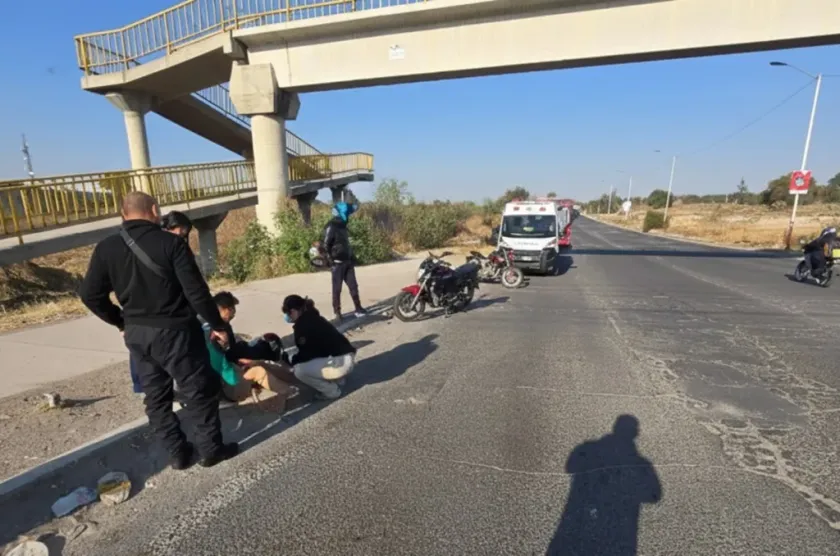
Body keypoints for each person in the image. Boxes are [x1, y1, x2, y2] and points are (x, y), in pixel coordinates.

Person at [80, 191, 238, 470]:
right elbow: (197, 293)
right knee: (197, 391)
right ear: (154, 209)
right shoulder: (172, 244)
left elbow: (91, 296)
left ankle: (178, 454)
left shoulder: (106, 247)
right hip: (177, 333)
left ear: (122, 213)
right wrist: (218, 325)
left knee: (157, 398)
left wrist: (120, 321)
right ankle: (211, 450)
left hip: (138, 336)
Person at [129, 211, 193, 395]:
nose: (184, 236)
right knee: (172, 351)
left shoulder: (145, 244)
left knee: (143, 353)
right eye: (182, 232)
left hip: (139, 310)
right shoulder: (171, 246)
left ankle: (146, 388)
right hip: (167, 311)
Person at [282, 295, 356, 400]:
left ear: (293, 311)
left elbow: (307, 353)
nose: (287, 317)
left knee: (299, 370)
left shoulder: (303, 326)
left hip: (341, 363)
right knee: (313, 361)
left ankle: (331, 391)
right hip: (347, 357)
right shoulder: (313, 317)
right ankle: (338, 379)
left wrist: (291, 360)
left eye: (287, 313)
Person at [205, 291, 283, 364]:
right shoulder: (217, 331)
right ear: (225, 309)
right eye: (231, 308)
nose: (233, 312)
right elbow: (224, 357)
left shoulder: (224, 324)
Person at [323, 201, 367, 322]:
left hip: (347, 261)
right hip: (337, 263)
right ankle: (337, 312)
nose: (350, 216)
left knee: (353, 286)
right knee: (337, 289)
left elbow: (345, 244)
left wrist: (352, 257)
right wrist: (331, 261)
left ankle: (358, 308)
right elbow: (326, 245)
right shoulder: (331, 225)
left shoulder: (343, 226)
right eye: (348, 213)